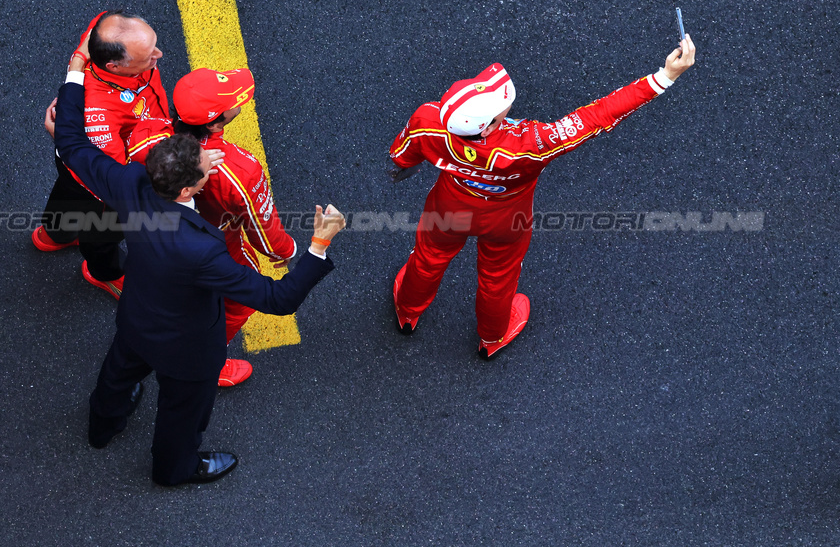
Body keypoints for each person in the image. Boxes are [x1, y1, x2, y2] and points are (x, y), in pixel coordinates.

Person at [54, 42, 344, 486]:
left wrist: (75, 75)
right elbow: (278, 296)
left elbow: (72, 142)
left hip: (136, 318)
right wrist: (318, 245)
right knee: (183, 412)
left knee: (118, 377)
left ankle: (102, 427)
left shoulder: (129, 178)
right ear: (188, 190)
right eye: (203, 172)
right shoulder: (207, 246)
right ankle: (174, 469)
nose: (210, 170)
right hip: (187, 348)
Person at [389, 35, 697, 357]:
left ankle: (407, 311)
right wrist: (665, 77)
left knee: (428, 258)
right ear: (488, 126)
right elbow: (597, 116)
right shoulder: (532, 143)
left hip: (449, 206)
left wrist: (403, 166)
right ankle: (491, 338)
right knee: (497, 278)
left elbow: (401, 157)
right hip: (507, 219)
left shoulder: (427, 120)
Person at [124, 68, 297, 389]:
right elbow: (263, 232)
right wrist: (287, 250)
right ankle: (209, 362)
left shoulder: (145, 133)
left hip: (151, 239)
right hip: (218, 249)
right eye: (231, 100)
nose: (238, 99)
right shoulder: (240, 169)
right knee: (238, 304)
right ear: (216, 124)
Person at [33, 11, 171, 298]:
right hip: (101, 180)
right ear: (114, 65)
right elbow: (116, 182)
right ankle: (102, 273)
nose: (158, 54)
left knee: (69, 192)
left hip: (75, 166)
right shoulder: (99, 117)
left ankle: (54, 235)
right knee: (104, 232)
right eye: (147, 56)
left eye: (153, 44)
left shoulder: (105, 31)